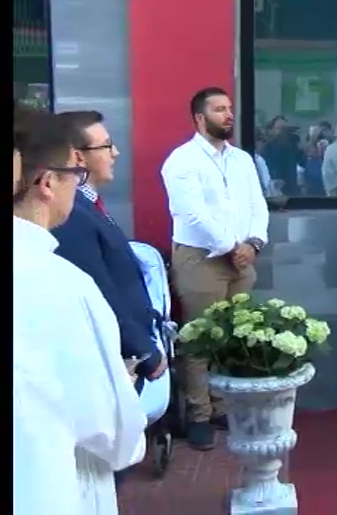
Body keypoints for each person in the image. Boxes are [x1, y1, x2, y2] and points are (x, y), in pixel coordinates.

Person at [14, 105, 147, 514]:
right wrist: (117, 381)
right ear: (47, 182)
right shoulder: (59, 285)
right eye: (75, 173)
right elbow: (114, 431)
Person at [161, 87, 270, 450]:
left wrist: (253, 244)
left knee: (232, 336)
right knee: (199, 339)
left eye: (229, 109)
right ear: (199, 118)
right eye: (219, 110)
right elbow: (192, 213)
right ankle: (198, 415)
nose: (228, 115)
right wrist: (230, 246)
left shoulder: (241, 159)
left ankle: (223, 406)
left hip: (241, 259)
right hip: (201, 259)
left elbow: (258, 204)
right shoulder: (182, 160)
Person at [51, 111, 168, 390]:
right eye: (106, 145)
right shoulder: (73, 214)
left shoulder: (90, 206)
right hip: (114, 360)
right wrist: (143, 349)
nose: (115, 153)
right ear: (78, 157)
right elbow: (99, 291)